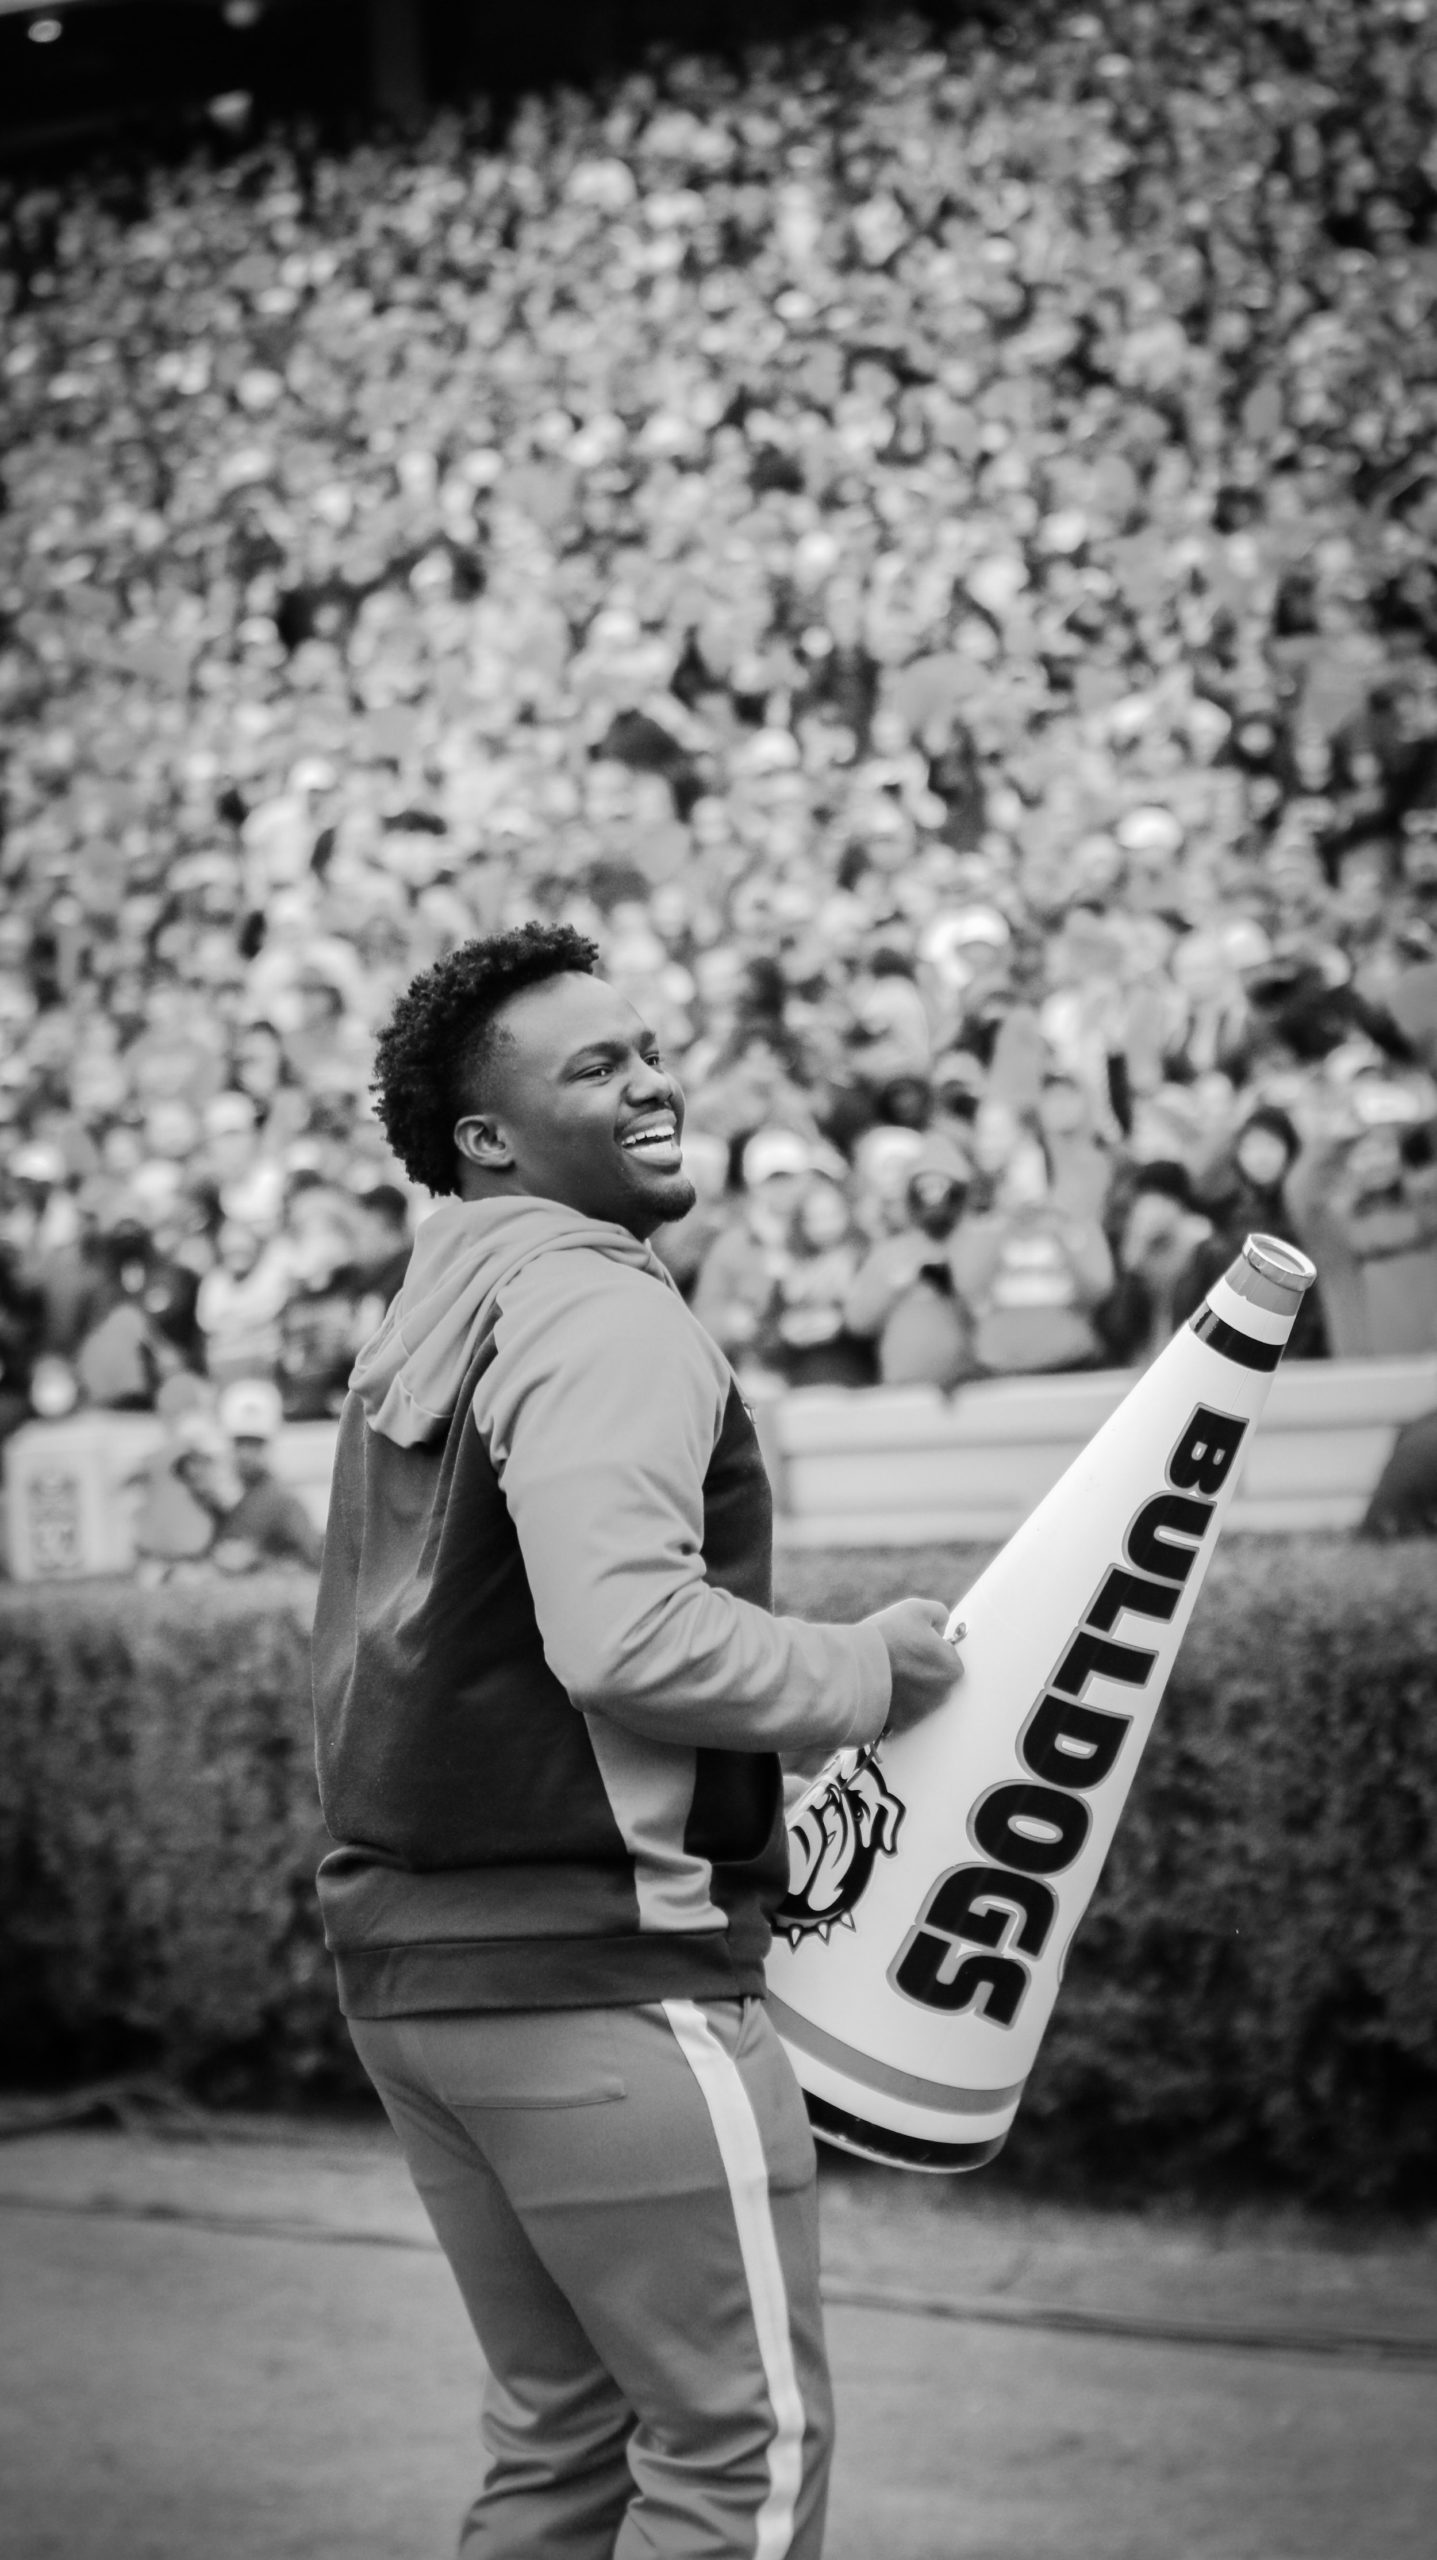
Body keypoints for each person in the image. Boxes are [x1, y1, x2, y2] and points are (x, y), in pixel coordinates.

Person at [311, 922, 961, 2560]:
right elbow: (626, 1639)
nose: (652, 1082)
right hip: (602, 1977)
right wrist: (863, 1669)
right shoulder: (596, 1305)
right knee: (739, 2455)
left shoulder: (432, 1307)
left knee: (563, 2448)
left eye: (649, 1048)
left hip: (420, 1981)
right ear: (487, 1136)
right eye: (596, 1067)